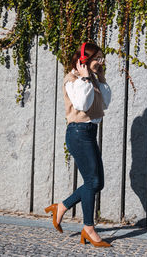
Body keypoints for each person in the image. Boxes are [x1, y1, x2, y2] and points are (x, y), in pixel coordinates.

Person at [44, 42, 111, 247]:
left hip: (89, 134)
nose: (100, 62)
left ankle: (62, 207)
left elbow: (105, 103)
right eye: (97, 58)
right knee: (92, 182)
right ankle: (88, 228)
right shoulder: (72, 80)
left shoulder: (92, 79)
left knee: (97, 183)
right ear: (84, 60)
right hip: (78, 133)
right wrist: (84, 78)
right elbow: (81, 104)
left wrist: (100, 79)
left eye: (101, 58)